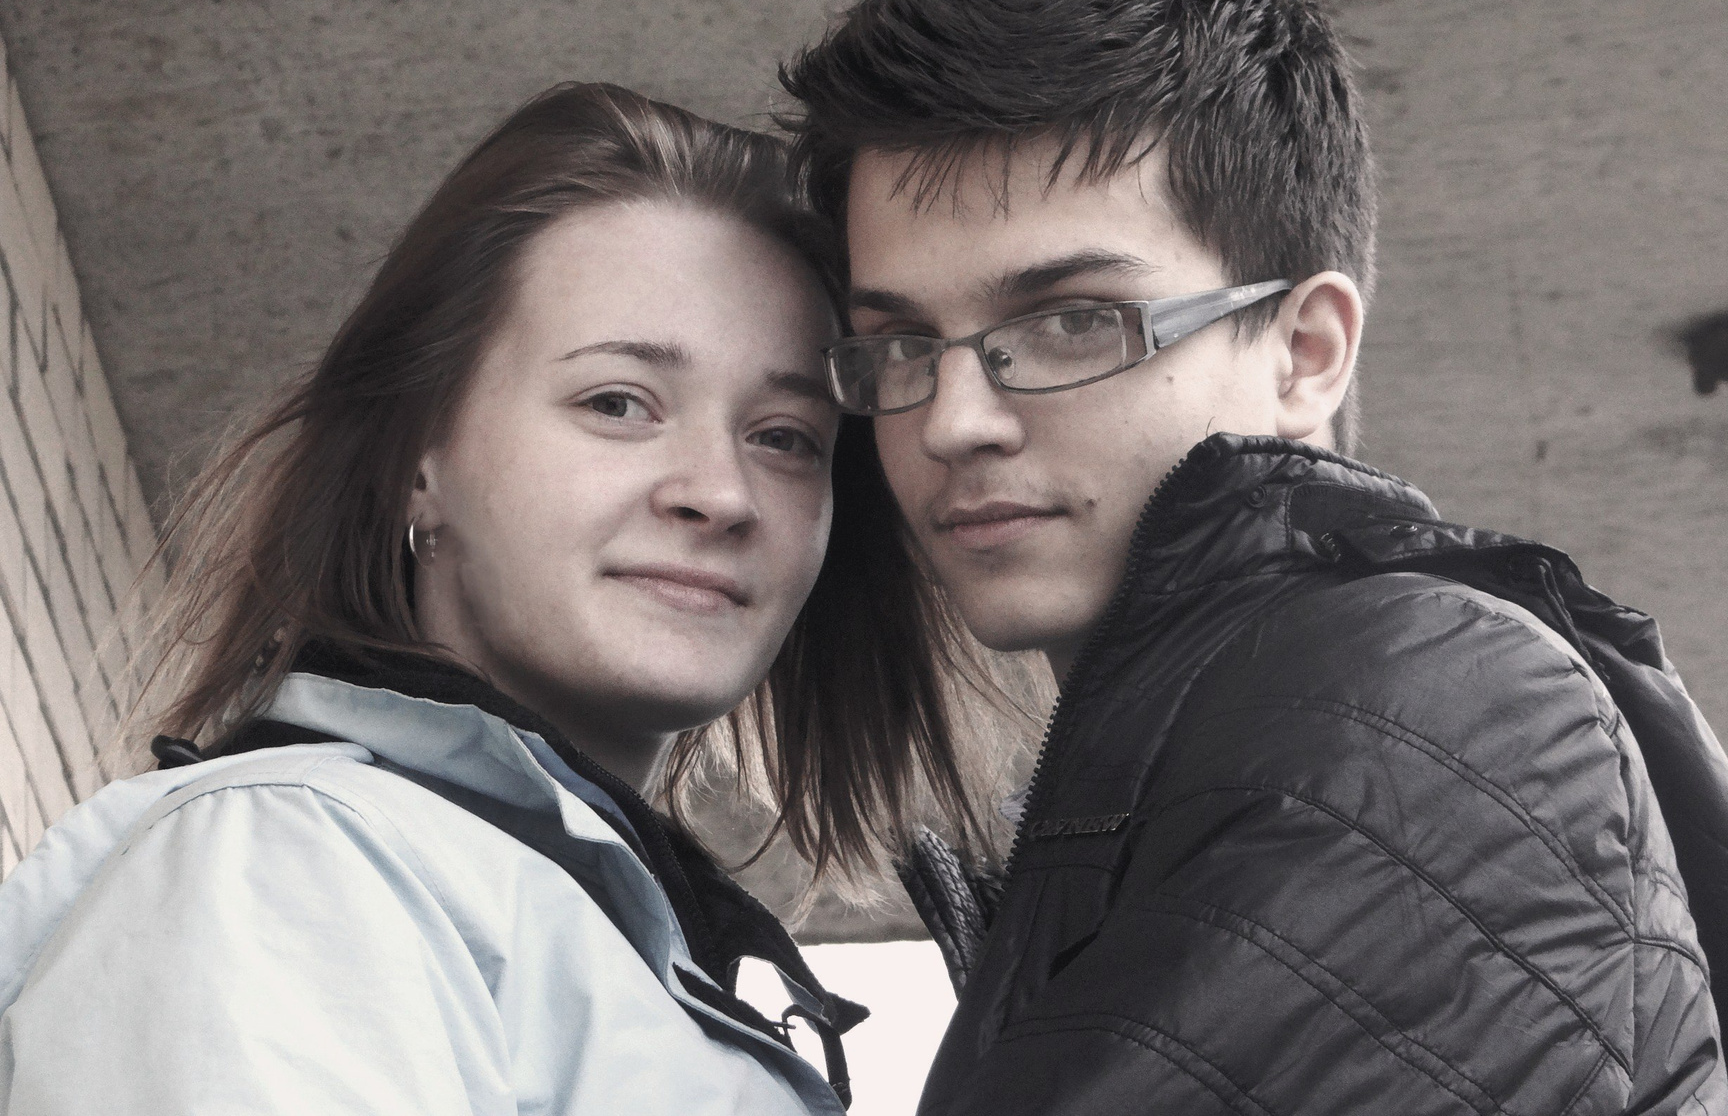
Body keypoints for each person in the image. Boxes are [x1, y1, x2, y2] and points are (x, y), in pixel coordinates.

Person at [783, 0, 1728, 1113]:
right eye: (899, 344)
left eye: (1070, 322)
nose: (951, 421)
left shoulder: (1425, 705)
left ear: (1305, 351)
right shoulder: (1212, 752)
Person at [0, 83, 994, 1115]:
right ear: (418, 460)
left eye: (784, 437)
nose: (723, 493)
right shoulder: (294, 855)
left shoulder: (600, 943)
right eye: (618, 403)